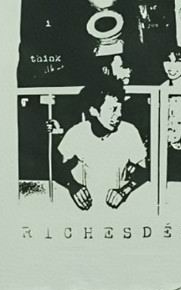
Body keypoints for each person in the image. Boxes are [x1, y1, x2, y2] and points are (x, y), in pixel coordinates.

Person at [47, 78, 147, 210]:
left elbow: (144, 170)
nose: (119, 115)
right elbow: (55, 166)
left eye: (120, 109)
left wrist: (125, 191)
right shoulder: (78, 132)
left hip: (118, 207)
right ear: (93, 110)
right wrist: (72, 185)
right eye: (113, 109)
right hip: (84, 208)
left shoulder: (129, 131)